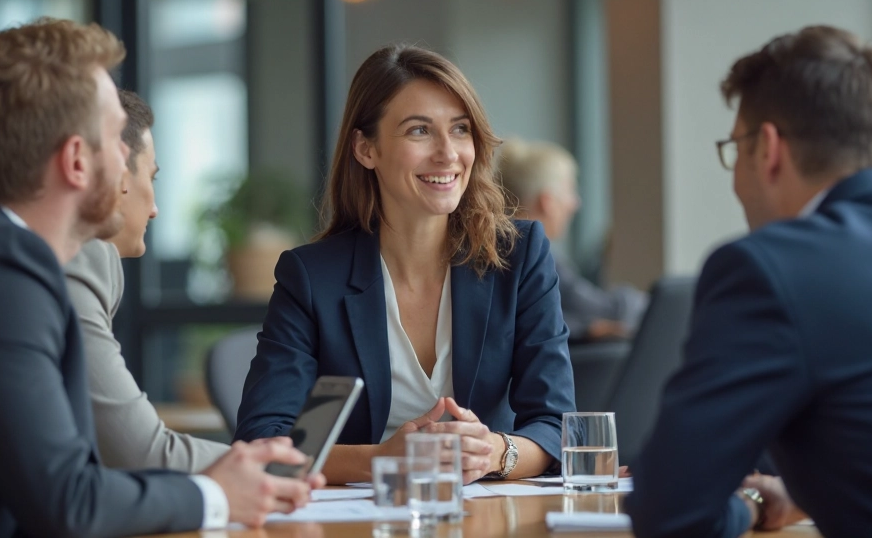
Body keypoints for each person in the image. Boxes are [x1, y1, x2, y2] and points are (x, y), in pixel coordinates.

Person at [0, 18, 318, 538]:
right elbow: (69, 502)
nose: (130, 160)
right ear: (75, 161)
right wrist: (217, 493)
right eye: (117, 137)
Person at [234, 44, 576, 485]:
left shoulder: (518, 255)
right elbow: (266, 441)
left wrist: (495, 452)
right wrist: (383, 458)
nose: (448, 153)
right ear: (365, 148)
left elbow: (556, 427)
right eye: (419, 131)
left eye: (459, 129)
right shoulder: (313, 278)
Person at [626, 25, 872, 537]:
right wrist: (805, 495)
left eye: (735, 149)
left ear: (769, 148)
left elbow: (670, 512)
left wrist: (751, 505)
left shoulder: (768, 270)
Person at [64, 89, 230, 471]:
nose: (154, 209)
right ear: (119, 171)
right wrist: (273, 466)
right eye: (151, 177)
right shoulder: (82, 258)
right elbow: (141, 452)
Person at [497, 138, 647, 339]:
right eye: (570, 191)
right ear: (547, 202)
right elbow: (602, 309)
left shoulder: (499, 246)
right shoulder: (533, 253)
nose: (575, 203)